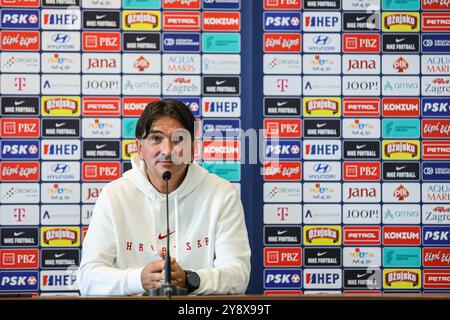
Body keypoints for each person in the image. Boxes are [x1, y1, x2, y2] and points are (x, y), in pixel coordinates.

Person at [77, 99, 251, 295]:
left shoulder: (222, 194)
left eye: (178, 139)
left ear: (193, 149)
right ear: (139, 148)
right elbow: (88, 279)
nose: (168, 151)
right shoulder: (114, 195)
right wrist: (138, 279)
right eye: (156, 139)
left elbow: (238, 275)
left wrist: (189, 279)